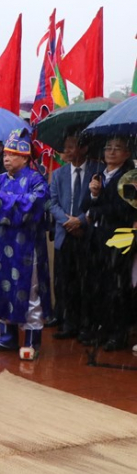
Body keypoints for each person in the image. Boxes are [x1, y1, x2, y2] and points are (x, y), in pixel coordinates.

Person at [0, 129, 52, 360]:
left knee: (29, 288)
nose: (6, 158)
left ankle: (31, 341)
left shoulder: (36, 180)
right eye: (5, 154)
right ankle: (6, 338)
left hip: (26, 245)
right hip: (1, 243)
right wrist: (0, 200)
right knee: (2, 287)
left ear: (25, 157)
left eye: (12, 154)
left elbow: (34, 205)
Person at [80, 136, 136, 351]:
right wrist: (93, 195)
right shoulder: (98, 174)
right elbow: (86, 204)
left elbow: (124, 210)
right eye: (108, 148)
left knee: (116, 287)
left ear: (127, 154)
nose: (111, 152)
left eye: (117, 149)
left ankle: (117, 334)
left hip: (118, 238)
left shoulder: (131, 177)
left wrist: (95, 207)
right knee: (97, 285)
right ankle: (100, 328)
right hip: (95, 239)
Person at [49, 134, 101, 341]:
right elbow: (52, 204)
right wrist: (67, 222)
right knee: (65, 281)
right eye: (65, 147)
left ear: (84, 148)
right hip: (64, 234)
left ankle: (85, 325)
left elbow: (98, 200)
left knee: (85, 281)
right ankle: (68, 322)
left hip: (86, 234)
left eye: (71, 147)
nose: (67, 151)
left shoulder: (96, 171)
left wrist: (80, 220)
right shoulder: (58, 173)